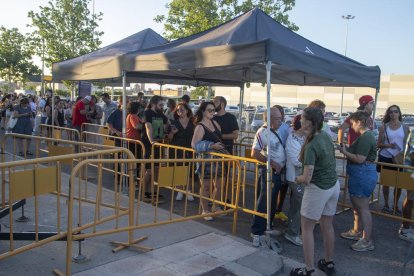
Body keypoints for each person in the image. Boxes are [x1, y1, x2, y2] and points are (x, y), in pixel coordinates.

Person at [291, 108, 340, 276]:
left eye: (302, 119)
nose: (299, 121)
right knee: (327, 225)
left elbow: (306, 178)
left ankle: (309, 269)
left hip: (318, 189)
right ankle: (329, 263)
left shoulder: (311, 146)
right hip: (333, 186)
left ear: (309, 123)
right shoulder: (325, 135)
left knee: (306, 229)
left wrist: (296, 179)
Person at [339, 111, 377, 252]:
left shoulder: (366, 137)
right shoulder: (366, 136)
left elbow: (360, 159)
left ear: (359, 122)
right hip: (360, 174)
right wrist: (347, 150)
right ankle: (357, 231)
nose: (351, 126)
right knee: (357, 205)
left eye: (353, 123)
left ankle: (367, 240)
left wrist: (344, 152)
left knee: (362, 207)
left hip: (362, 174)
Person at [249, 106, 285, 252]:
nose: (281, 120)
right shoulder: (263, 132)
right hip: (268, 171)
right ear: (269, 119)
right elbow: (254, 153)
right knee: (264, 201)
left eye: (280, 118)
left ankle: (266, 228)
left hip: (276, 172)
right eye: (277, 118)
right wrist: (273, 163)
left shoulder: (275, 131)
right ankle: (257, 231)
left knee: (271, 202)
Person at [191, 101, 226, 220]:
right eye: (209, 110)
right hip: (205, 160)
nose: (212, 112)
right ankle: (205, 210)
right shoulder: (200, 126)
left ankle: (216, 207)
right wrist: (211, 145)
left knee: (219, 184)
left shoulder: (215, 123)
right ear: (203, 111)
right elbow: (194, 144)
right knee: (206, 186)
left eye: (213, 110)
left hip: (218, 159)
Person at [377, 105, 410, 215]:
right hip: (386, 157)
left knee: (398, 184)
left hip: (400, 159)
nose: (393, 114)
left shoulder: (405, 127)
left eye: (395, 111)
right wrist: (388, 146)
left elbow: (408, 143)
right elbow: (378, 144)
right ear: (388, 114)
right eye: (391, 112)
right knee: (386, 183)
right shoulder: (384, 127)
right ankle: (386, 204)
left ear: (399, 113)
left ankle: (395, 205)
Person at [284, 114, 306, 246]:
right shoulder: (292, 139)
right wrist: (310, 160)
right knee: (301, 205)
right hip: (295, 177)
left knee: (296, 204)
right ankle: (292, 232)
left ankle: (291, 227)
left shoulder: (302, 138)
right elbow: (296, 161)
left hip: (300, 177)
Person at [142, 95, 168, 202]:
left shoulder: (161, 114)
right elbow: (148, 126)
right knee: (148, 170)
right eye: (160, 104)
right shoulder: (147, 112)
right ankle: (144, 192)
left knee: (156, 169)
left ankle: (151, 191)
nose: (162, 107)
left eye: (163, 105)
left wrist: (165, 132)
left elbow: (167, 123)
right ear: (153, 104)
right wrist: (151, 140)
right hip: (149, 145)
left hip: (158, 144)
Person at [168, 102, 195, 201]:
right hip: (177, 148)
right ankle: (180, 190)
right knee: (179, 169)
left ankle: (188, 191)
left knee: (190, 170)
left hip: (189, 148)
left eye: (182, 109)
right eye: (178, 110)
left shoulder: (193, 122)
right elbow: (169, 137)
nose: (180, 111)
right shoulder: (174, 122)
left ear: (187, 111)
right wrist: (172, 132)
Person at [273, 105, 290, 222]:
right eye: (279, 115)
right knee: (272, 188)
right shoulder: (265, 129)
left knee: (283, 186)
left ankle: (278, 209)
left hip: (284, 162)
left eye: (282, 114)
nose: (281, 116)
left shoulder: (286, 127)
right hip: (272, 163)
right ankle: (269, 211)